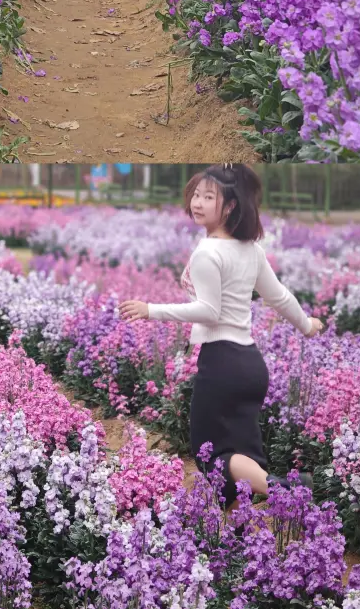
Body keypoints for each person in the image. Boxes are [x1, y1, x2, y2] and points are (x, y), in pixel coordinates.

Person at [119, 164, 324, 510]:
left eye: (208, 196)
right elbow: (279, 297)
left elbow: (209, 311)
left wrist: (150, 309)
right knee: (241, 451)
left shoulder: (208, 252)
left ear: (229, 206)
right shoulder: (251, 249)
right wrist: (307, 325)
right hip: (250, 364)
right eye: (196, 194)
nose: (197, 202)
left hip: (222, 363)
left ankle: (288, 490)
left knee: (211, 452)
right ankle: (238, 524)